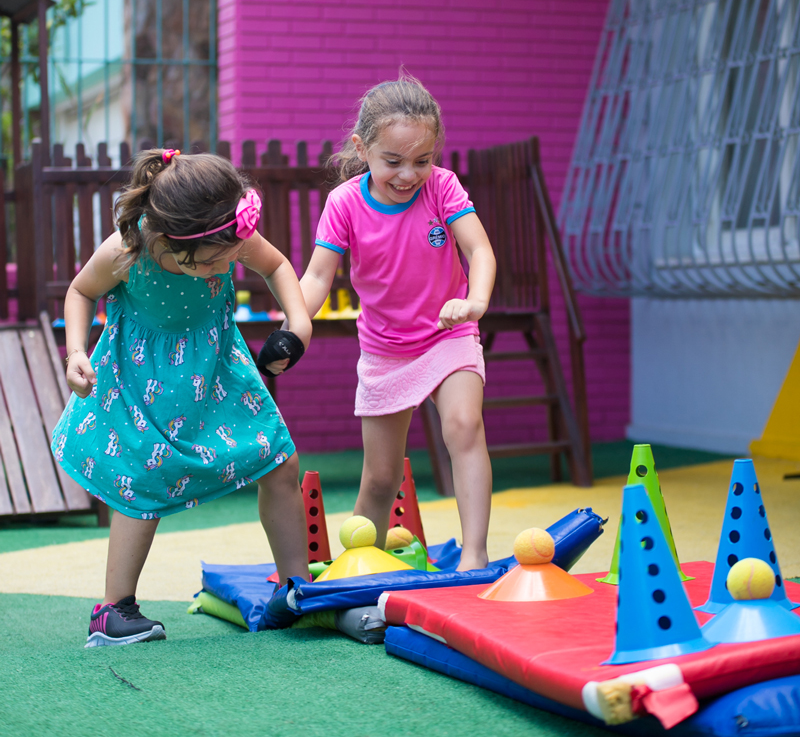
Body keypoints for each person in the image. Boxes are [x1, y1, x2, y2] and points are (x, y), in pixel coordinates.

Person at [51, 148, 312, 647]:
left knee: (278, 458)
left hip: (215, 367)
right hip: (141, 375)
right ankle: (113, 610)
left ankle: (295, 586)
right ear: (173, 243)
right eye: (216, 260)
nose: (230, 262)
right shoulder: (128, 251)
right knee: (141, 479)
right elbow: (81, 292)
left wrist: (297, 325)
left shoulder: (227, 233)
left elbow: (277, 265)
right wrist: (75, 353)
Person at [300, 78, 496, 571]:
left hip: (448, 333)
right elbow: (319, 275)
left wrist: (473, 302)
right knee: (381, 476)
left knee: (464, 425)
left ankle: (475, 554)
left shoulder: (443, 186)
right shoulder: (345, 203)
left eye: (422, 160)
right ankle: (357, 565)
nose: (410, 174)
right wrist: (293, 325)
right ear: (362, 149)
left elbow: (478, 249)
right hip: (387, 349)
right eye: (394, 161)